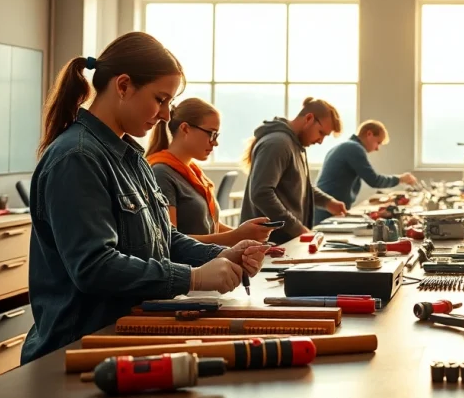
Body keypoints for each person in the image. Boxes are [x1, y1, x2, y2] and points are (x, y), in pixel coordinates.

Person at [22, 32, 268, 364]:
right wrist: (193, 277)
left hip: (123, 339)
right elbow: (94, 267)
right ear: (123, 86)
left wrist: (224, 254)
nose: (166, 115)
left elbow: (162, 237)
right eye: (160, 99)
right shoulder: (77, 158)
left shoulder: (132, 158)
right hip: (79, 351)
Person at [145, 97, 276, 246]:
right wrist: (236, 237)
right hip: (190, 268)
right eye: (211, 134)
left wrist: (248, 237)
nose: (215, 142)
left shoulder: (193, 172)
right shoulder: (161, 173)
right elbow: (168, 241)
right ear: (185, 129)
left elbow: (209, 226)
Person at [240, 98, 349, 244]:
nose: (320, 141)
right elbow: (261, 193)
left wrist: (328, 202)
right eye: (321, 133)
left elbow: (299, 185)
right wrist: (297, 228)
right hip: (267, 246)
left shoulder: (295, 145)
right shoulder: (278, 144)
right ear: (309, 118)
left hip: (284, 243)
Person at [314, 120, 418, 224]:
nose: (377, 148)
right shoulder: (354, 148)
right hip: (326, 211)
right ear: (369, 134)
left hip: (325, 208)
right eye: (378, 142)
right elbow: (374, 180)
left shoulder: (346, 146)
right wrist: (401, 179)